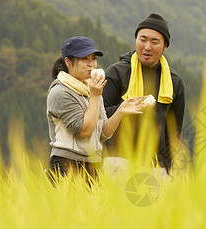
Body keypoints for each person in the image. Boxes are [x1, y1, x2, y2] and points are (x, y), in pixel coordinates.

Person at [46, 36, 143, 180]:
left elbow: (103, 133)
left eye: (93, 59)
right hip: (67, 166)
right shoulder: (60, 92)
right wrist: (95, 96)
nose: (91, 64)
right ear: (68, 62)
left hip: (92, 164)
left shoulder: (90, 88)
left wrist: (120, 111)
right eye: (84, 59)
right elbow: (84, 130)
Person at [102, 13, 185, 176]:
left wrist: (166, 169)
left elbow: (174, 131)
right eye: (143, 39)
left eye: (155, 42)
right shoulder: (117, 73)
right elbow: (100, 116)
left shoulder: (174, 82)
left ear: (165, 46)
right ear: (136, 41)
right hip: (117, 159)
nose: (147, 46)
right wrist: (122, 109)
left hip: (155, 166)